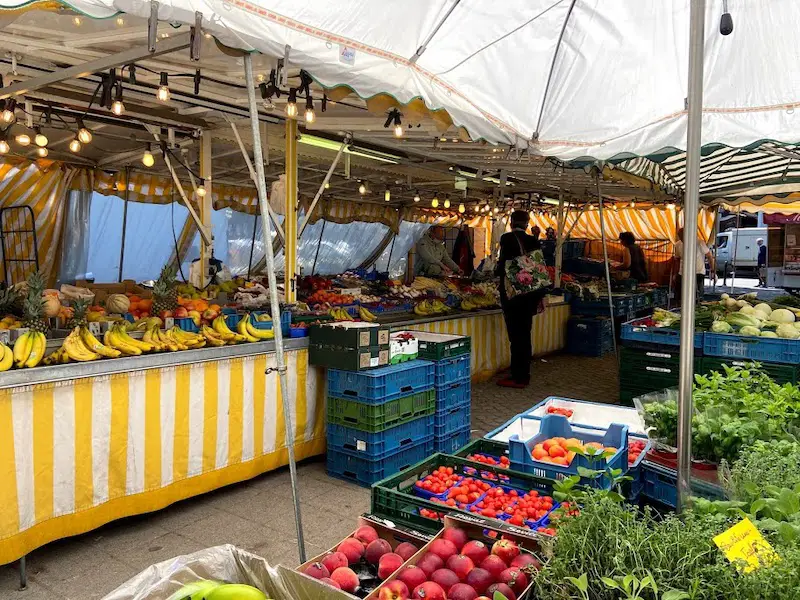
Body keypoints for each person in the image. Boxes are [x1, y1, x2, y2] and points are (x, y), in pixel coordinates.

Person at [495, 210, 545, 389]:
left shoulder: (507, 239)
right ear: (527, 223)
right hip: (529, 296)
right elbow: (538, 265)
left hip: (513, 297)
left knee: (516, 338)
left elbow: (503, 266)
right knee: (525, 335)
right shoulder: (533, 240)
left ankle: (518, 377)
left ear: (511, 222)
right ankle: (524, 374)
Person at [673, 226, 715, 304]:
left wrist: (712, 270)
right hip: (683, 273)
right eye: (680, 237)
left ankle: (697, 307)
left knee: (696, 295)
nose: (682, 239)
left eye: (683, 237)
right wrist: (675, 274)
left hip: (698, 272)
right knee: (681, 295)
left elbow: (709, 256)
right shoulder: (678, 244)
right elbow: (677, 260)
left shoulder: (699, 242)